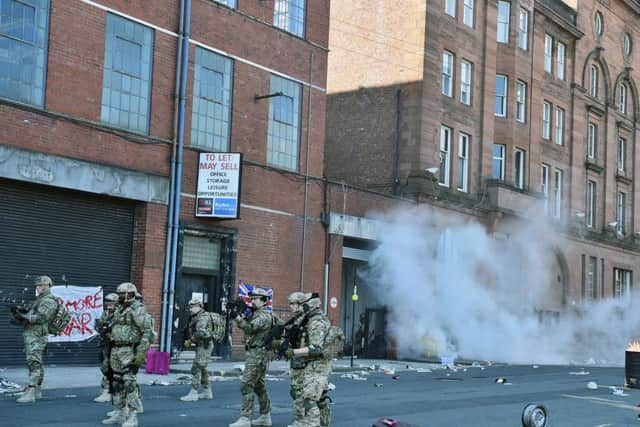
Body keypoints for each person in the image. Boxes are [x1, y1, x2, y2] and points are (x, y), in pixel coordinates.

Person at [101, 282, 153, 427]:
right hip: (116, 349)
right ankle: (119, 412)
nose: (118, 297)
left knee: (129, 383)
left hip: (129, 351)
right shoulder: (120, 309)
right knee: (117, 382)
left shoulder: (137, 310)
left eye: (121, 294)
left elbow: (147, 332)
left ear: (129, 294)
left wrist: (140, 354)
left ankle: (133, 415)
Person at [229, 287, 277, 427]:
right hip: (256, 353)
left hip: (258, 354)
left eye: (256, 299)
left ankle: (245, 418)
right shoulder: (256, 314)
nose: (253, 301)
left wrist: (237, 318)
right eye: (252, 298)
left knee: (246, 384)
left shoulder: (264, 316)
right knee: (258, 386)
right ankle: (265, 416)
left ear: (264, 301)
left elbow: (250, 328)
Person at [286, 293, 331, 427]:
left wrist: (293, 352)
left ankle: (309, 423)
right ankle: (321, 423)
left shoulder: (316, 321)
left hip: (316, 365)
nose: (298, 306)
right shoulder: (308, 319)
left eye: (301, 304)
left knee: (308, 398)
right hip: (312, 364)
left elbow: (316, 348)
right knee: (318, 398)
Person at [12, 275, 59, 403]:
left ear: (48, 285)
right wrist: (20, 314)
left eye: (41, 285)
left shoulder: (49, 301)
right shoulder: (39, 300)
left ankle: (31, 391)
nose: (39, 288)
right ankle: (36, 391)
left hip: (37, 336)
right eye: (37, 285)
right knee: (36, 362)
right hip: (32, 334)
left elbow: (41, 318)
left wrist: (25, 316)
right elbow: (32, 315)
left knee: (34, 362)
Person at [180, 298, 222, 401]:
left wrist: (190, 340)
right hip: (203, 345)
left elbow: (201, 333)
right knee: (203, 368)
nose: (190, 309)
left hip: (205, 345)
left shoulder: (202, 317)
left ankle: (194, 393)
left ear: (199, 306)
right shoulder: (197, 316)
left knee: (196, 367)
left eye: (192, 307)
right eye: (189, 307)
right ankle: (207, 392)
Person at [94, 292, 120, 403]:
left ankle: (108, 392)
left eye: (111, 304)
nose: (109, 306)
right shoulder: (106, 313)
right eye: (107, 303)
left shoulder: (119, 314)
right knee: (105, 367)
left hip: (115, 346)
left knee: (110, 369)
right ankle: (108, 391)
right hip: (105, 344)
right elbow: (100, 326)